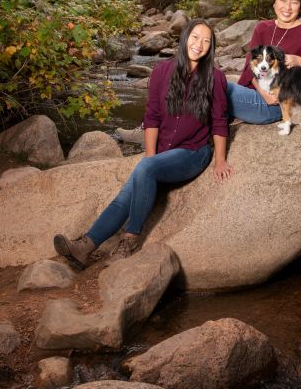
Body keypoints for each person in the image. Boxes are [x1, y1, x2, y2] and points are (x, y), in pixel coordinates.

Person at [54, 19, 233, 269]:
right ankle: (85, 246)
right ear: (184, 38)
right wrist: (150, 156)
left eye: (206, 41)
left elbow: (219, 122)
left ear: (211, 46)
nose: (199, 44)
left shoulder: (215, 78)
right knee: (126, 195)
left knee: (145, 169)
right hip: (163, 153)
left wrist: (221, 160)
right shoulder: (162, 71)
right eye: (195, 37)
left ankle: (130, 239)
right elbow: (152, 117)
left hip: (193, 152)